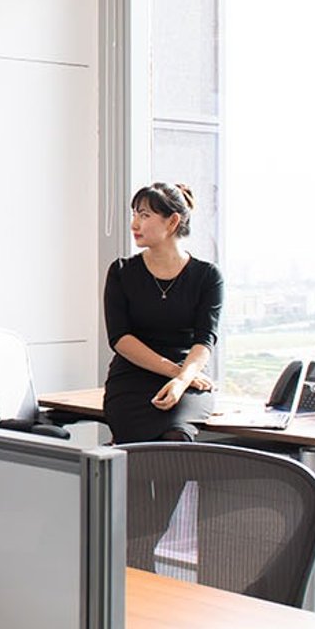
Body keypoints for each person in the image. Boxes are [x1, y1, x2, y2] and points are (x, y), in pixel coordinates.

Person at [102, 183, 223, 443]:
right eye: (134, 214)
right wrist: (175, 374)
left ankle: (186, 486)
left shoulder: (207, 276)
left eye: (144, 215)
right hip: (132, 378)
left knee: (176, 437)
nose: (135, 224)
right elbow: (120, 338)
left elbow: (205, 340)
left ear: (172, 222)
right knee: (135, 445)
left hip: (188, 377)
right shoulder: (122, 272)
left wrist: (182, 381)